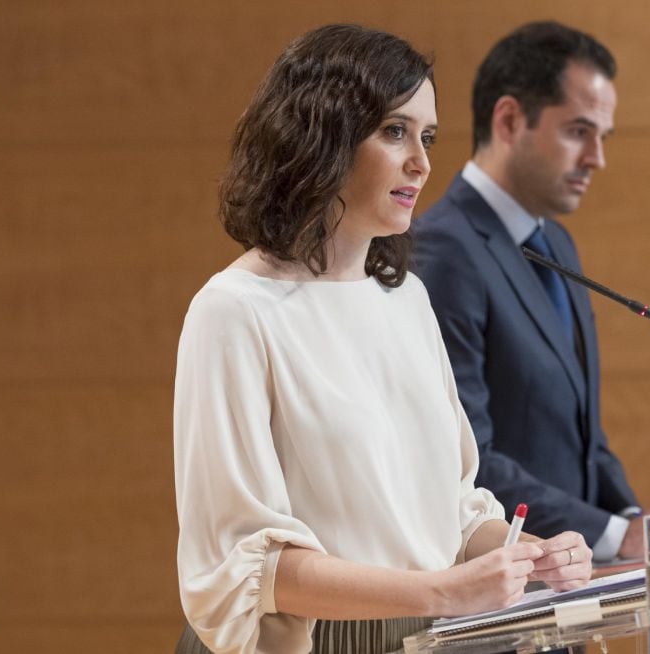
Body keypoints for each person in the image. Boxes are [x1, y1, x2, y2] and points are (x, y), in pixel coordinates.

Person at [173, 24, 592, 654]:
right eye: (394, 132)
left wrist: (528, 555)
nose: (422, 162)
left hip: (438, 634)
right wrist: (444, 591)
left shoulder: (407, 298)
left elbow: (453, 508)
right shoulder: (234, 311)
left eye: (426, 137)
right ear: (321, 136)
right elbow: (249, 567)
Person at [412, 21, 650, 563]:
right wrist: (614, 536)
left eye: (602, 137)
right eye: (578, 131)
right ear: (510, 119)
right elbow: (470, 461)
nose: (597, 158)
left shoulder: (554, 243)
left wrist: (636, 523)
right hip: (503, 595)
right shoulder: (443, 250)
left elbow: (585, 437)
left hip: (570, 590)